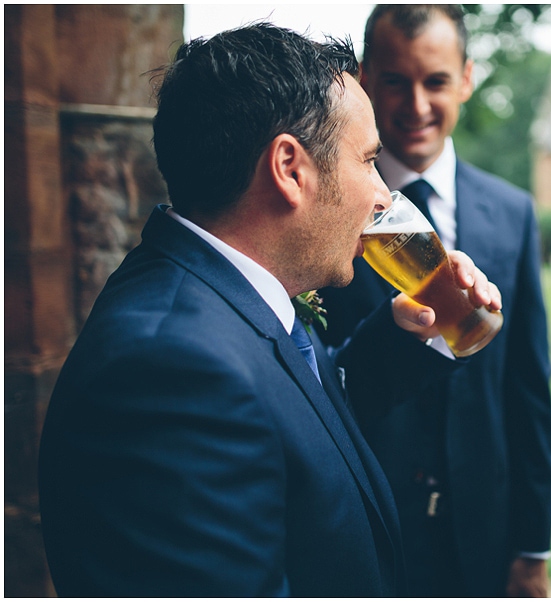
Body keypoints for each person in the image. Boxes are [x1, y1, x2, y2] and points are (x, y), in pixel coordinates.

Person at [38, 23, 502, 597]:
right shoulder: (169, 373)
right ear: (289, 167)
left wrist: (412, 331)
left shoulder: (227, 292)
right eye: (367, 160)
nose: (384, 195)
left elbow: (294, 409)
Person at [313, 5, 551, 597]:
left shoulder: (514, 212)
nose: (417, 104)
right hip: (372, 526)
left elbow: (527, 389)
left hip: (486, 531)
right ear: (366, 80)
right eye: (395, 81)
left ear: (467, 78)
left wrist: (532, 548)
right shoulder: (321, 216)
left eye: (436, 81)